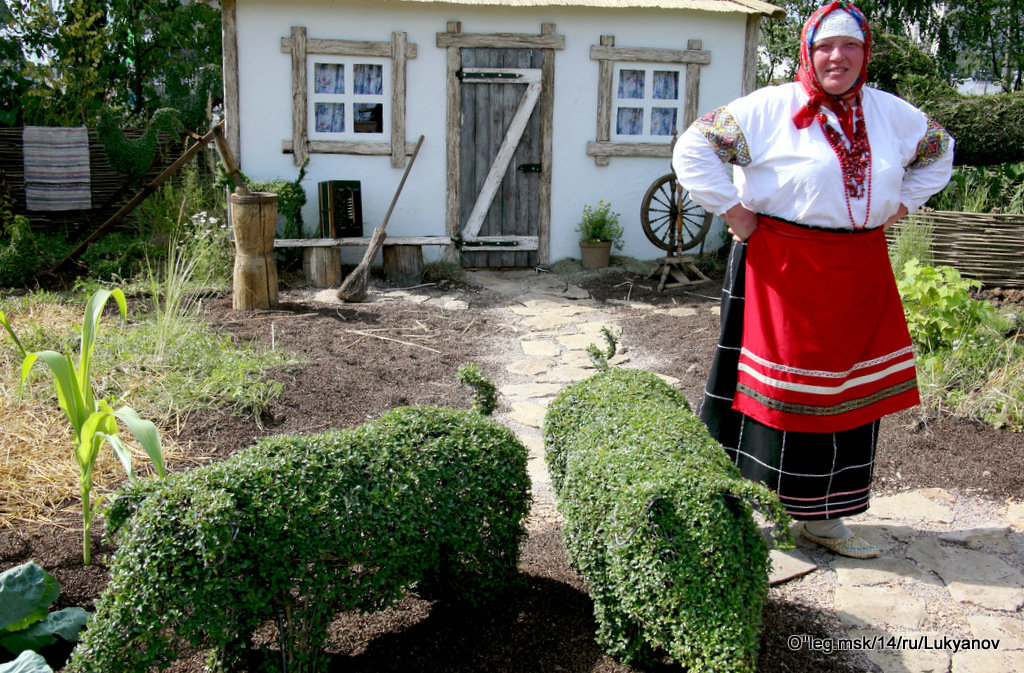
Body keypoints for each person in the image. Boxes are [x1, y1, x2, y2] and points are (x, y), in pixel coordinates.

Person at [672, 1, 953, 559]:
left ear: (865, 54)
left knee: (848, 396)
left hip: (858, 269)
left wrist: (900, 205)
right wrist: (733, 211)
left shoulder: (891, 114)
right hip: (780, 265)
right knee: (773, 394)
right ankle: (761, 510)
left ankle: (828, 517)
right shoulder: (770, 108)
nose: (837, 57)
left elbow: (940, 152)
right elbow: (693, 148)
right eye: (825, 45)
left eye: (850, 45)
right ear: (807, 50)